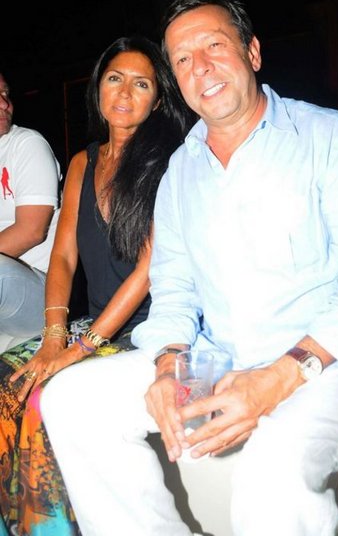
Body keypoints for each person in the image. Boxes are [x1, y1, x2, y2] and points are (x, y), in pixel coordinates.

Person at [40, 0, 338, 536]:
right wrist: (169, 365)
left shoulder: (327, 136)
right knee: (72, 400)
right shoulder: (180, 171)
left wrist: (278, 378)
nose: (200, 67)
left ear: (252, 52)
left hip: (326, 361)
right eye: (183, 59)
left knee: (273, 475)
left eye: (214, 45)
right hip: (221, 354)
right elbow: (175, 289)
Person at [0, 35, 194, 535]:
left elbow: (148, 268)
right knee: (5, 381)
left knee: (45, 396)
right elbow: (63, 256)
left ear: (158, 99)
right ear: (98, 87)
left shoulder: (169, 161)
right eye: (115, 78)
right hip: (92, 324)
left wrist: (80, 347)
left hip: (149, 330)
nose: (125, 92)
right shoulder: (84, 163)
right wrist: (53, 338)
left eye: (141, 84)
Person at [0, 71, 61, 346]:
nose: (4, 104)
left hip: (39, 291)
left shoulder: (27, 144)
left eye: (5, 93)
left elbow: (32, 230)